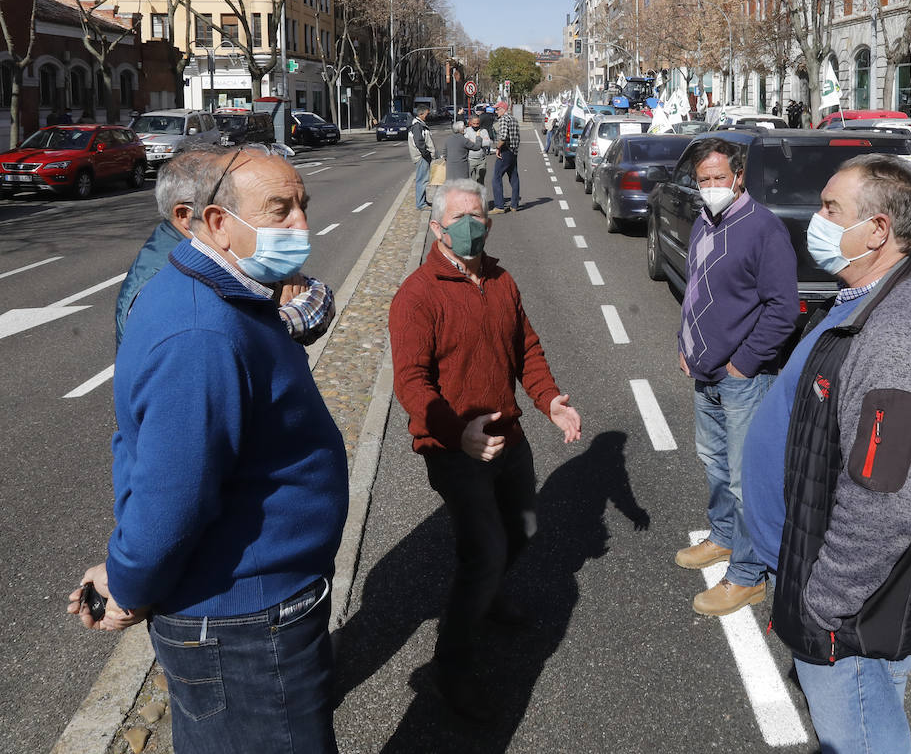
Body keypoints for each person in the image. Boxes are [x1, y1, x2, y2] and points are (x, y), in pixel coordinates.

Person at [68, 146, 348, 753]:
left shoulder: (228, 292)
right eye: (280, 210)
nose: (302, 225)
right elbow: (171, 499)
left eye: (303, 205)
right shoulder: (200, 333)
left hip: (250, 605)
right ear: (218, 224)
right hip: (244, 625)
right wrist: (126, 583)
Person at [741, 153, 911, 752]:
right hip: (816, 571)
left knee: (860, 734)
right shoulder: (859, 299)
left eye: (830, 209)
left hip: (848, 615)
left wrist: (823, 606)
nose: (816, 220)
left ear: (879, 229)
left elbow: (883, 503)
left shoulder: (895, 343)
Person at [387, 179, 582, 720]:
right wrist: (457, 434)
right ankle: (450, 671)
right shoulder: (417, 295)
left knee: (523, 530)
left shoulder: (500, 280)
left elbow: (527, 348)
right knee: (483, 554)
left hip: (509, 437)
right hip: (454, 449)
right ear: (436, 228)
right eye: (459, 219)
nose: (471, 226)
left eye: (479, 216)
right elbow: (412, 382)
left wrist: (550, 402)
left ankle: (490, 592)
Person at [674, 138, 797, 616]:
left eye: (718, 178)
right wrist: (683, 344)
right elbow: (697, 290)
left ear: (739, 177)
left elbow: (782, 309)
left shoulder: (763, 229)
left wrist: (742, 363)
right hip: (704, 370)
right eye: (703, 180)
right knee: (713, 461)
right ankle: (723, 537)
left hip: (743, 377)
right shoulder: (705, 222)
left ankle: (748, 575)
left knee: (748, 480)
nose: (710, 187)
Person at [114, 147, 335, 349]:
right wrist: (272, 324)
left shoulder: (221, 260)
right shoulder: (167, 287)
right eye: (215, 192)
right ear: (187, 215)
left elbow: (316, 292)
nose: (301, 225)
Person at [489, 101, 521, 212]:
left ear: (502, 109)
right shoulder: (514, 119)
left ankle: (499, 206)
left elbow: (503, 136)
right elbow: (517, 137)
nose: (496, 111)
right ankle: (514, 204)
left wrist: (498, 148)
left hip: (505, 151)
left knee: (496, 178)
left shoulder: (503, 119)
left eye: (497, 109)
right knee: (514, 178)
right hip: (513, 151)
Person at [408, 105, 436, 210]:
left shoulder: (418, 124)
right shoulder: (417, 126)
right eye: (426, 114)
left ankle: (422, 201)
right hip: (421, 157)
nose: (427, 116)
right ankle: (420, 204)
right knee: (422, 180)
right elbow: (419, 142)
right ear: (421, 114)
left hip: (422, 156)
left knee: (423, 179)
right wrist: (426, 153)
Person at [444, 115, 485, 182]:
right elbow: (477, 147)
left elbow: (445, 153)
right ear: (461, 130)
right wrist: (478, 137)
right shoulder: (464, 140)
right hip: (461, 166)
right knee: (462, 186)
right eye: (464, 127)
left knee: (452, 185)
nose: (465, 128)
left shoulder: (448, 139)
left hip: (450, 167)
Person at [463, 114, 493, 184]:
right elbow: (466, 143)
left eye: (477, 123)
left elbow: (488, 142)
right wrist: (480, 141)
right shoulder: (466, 131)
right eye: (474, 123)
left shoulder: (484, 131)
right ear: (470, 123)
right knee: (467, 182)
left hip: (481, 161)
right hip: (469, 160)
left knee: (480, 182)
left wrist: (475, 143)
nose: (476, 125)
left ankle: (480, 195)